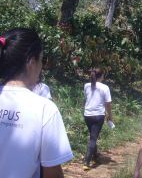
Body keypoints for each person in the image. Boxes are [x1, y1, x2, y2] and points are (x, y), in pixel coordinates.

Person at [0, 28, 73, 178]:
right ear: (31, 62)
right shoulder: (45, 109)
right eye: (41, 60)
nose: (42, 67)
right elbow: (53, 174)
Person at [83, 68, 113, 170]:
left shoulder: (86, 85)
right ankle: (86, 161)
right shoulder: (105, 88)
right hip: (98, 116)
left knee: (92, 135)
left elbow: (86, 99)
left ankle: (95, 156)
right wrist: (110, 116)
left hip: (87, 115)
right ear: (101, 76)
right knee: (93, 138)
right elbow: (108, 104)